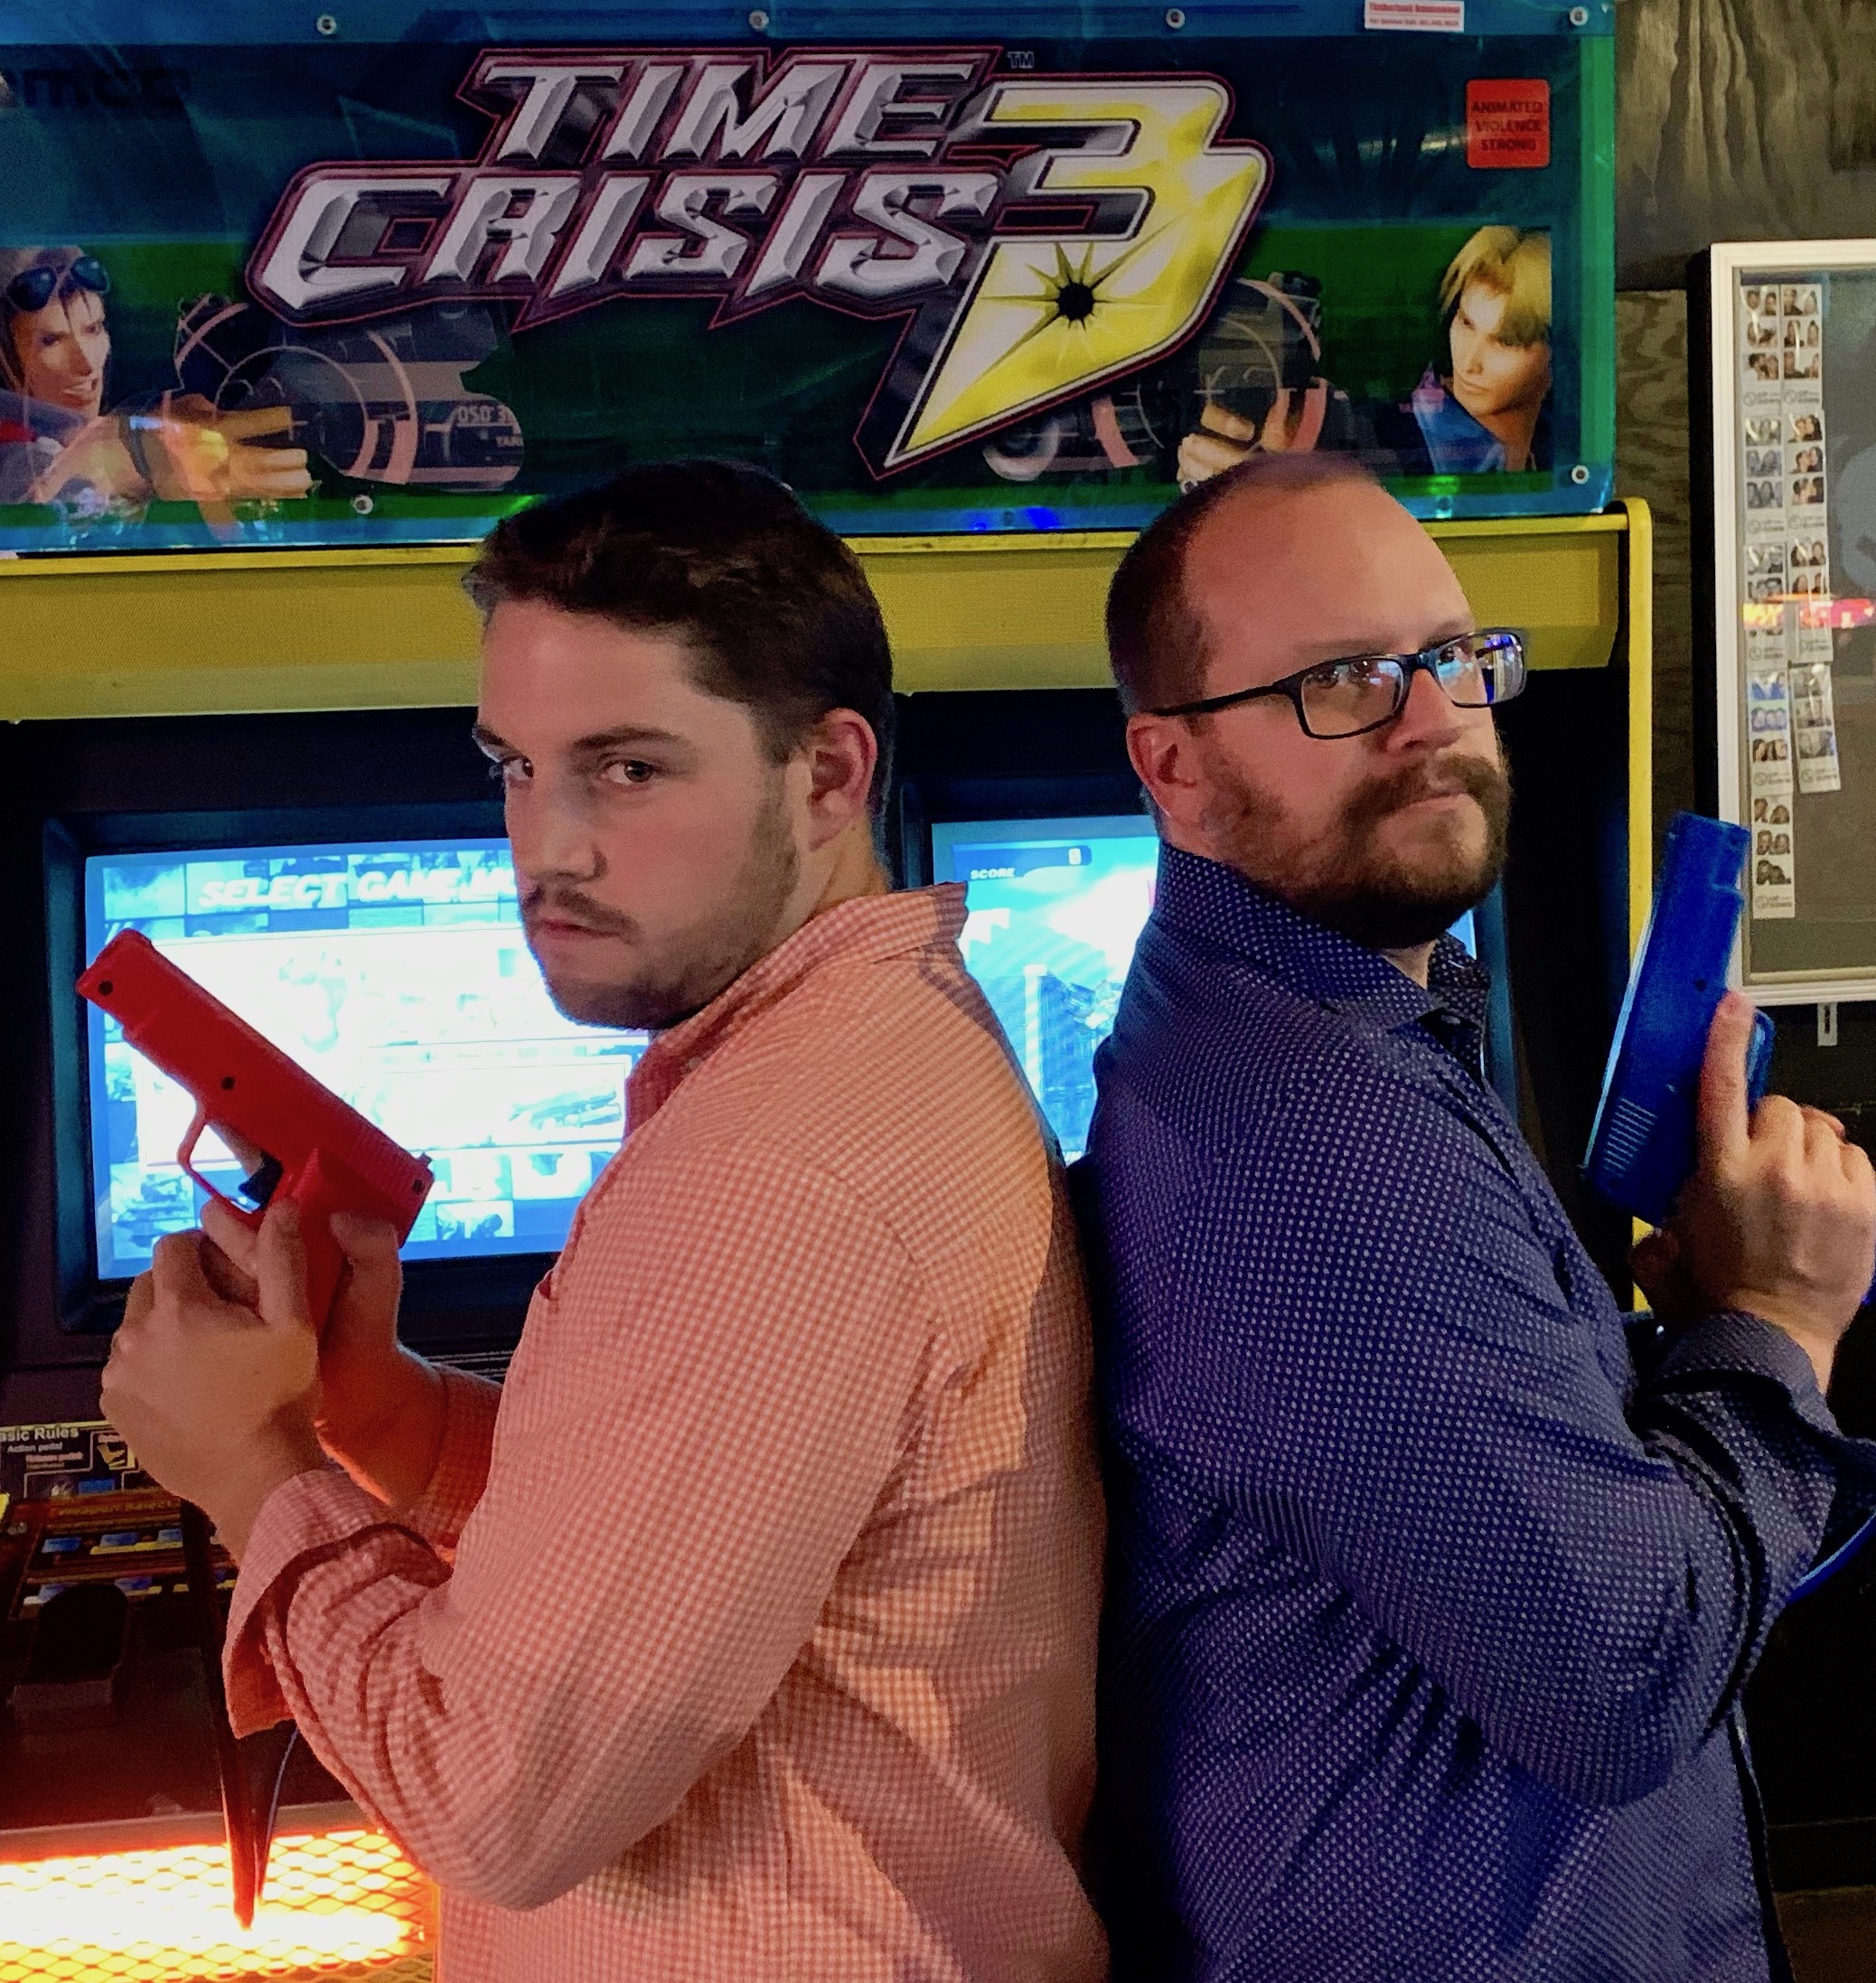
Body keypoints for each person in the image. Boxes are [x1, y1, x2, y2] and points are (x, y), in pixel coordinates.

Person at [99, 463, 1108, 1983]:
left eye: (626, 769)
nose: (546, 847)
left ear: (830, 775)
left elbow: (492, 1793)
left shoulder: (774, 1172)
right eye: (514, 765)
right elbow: (676, 1534)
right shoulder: (855, 1049)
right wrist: (379, 1412)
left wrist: (251, 1465)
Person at [1077, 451, 1876, 1982]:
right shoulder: (1313, 1135)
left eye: (1454, 655)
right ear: (1170, 765)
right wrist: (1776, 1322)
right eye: (1341, 680)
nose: (1432, 717)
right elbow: (1627, 1675)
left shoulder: (1327, 1013)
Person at [1177, 227, 1552, 484]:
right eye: (1466, 323)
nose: (1470, 363)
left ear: (1555, 353)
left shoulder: (1555, 445)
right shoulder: (1384, 434)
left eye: (1506, 342)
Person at [0, 245, 309, 513]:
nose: (87, 364)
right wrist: (141, 456)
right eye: (50, 341)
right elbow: (33, 489)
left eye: (93, 329)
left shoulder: (125, 415)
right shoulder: (17, 458)